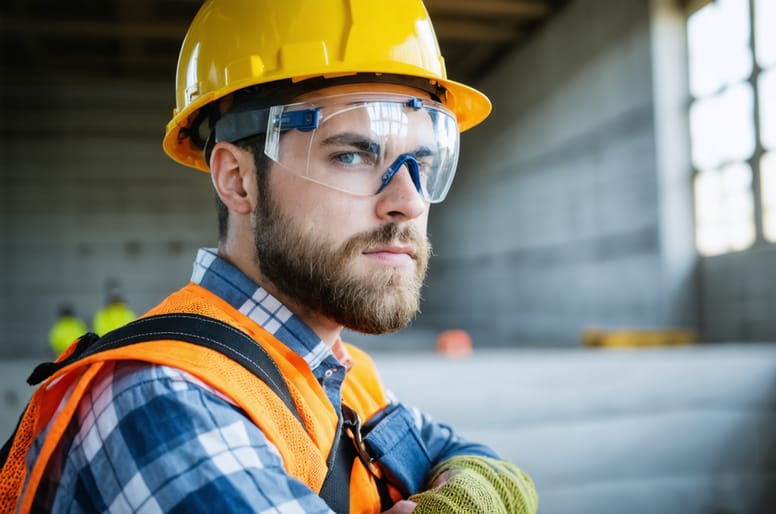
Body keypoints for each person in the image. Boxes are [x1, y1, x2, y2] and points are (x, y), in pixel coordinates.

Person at [2, 1, 538, 513]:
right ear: (237, 180)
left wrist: (466, 499)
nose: (408, 201)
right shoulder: (161, 403)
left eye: (420, 162)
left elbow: (483, 464)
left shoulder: (344, 377)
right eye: (351, 155)